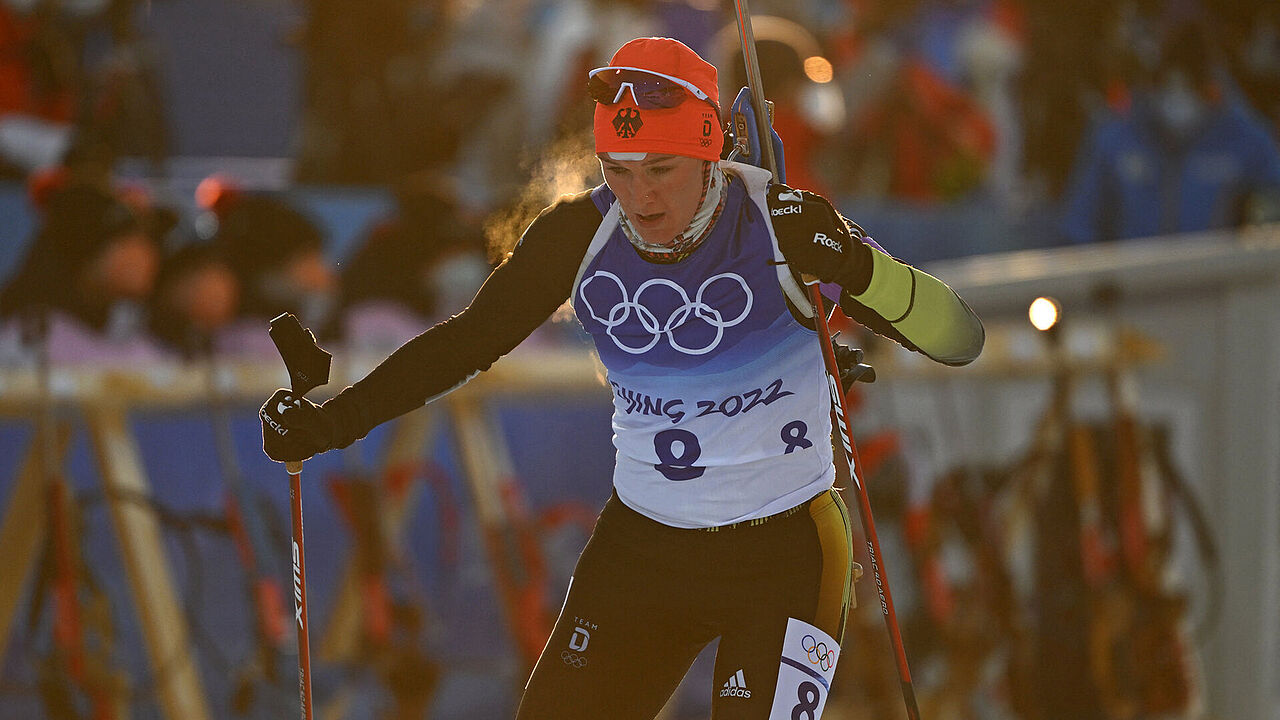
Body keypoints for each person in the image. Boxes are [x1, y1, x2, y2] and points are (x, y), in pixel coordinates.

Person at [260, 37, 984, 719]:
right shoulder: (581, 234)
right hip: (645, 547)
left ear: (712, 154)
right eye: (619, 169)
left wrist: (857, 268)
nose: (640, 198)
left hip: (785, 552)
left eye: (662, 169)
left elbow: (957, 337)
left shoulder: (779, 224)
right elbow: (468, 342)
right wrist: (333, 420)